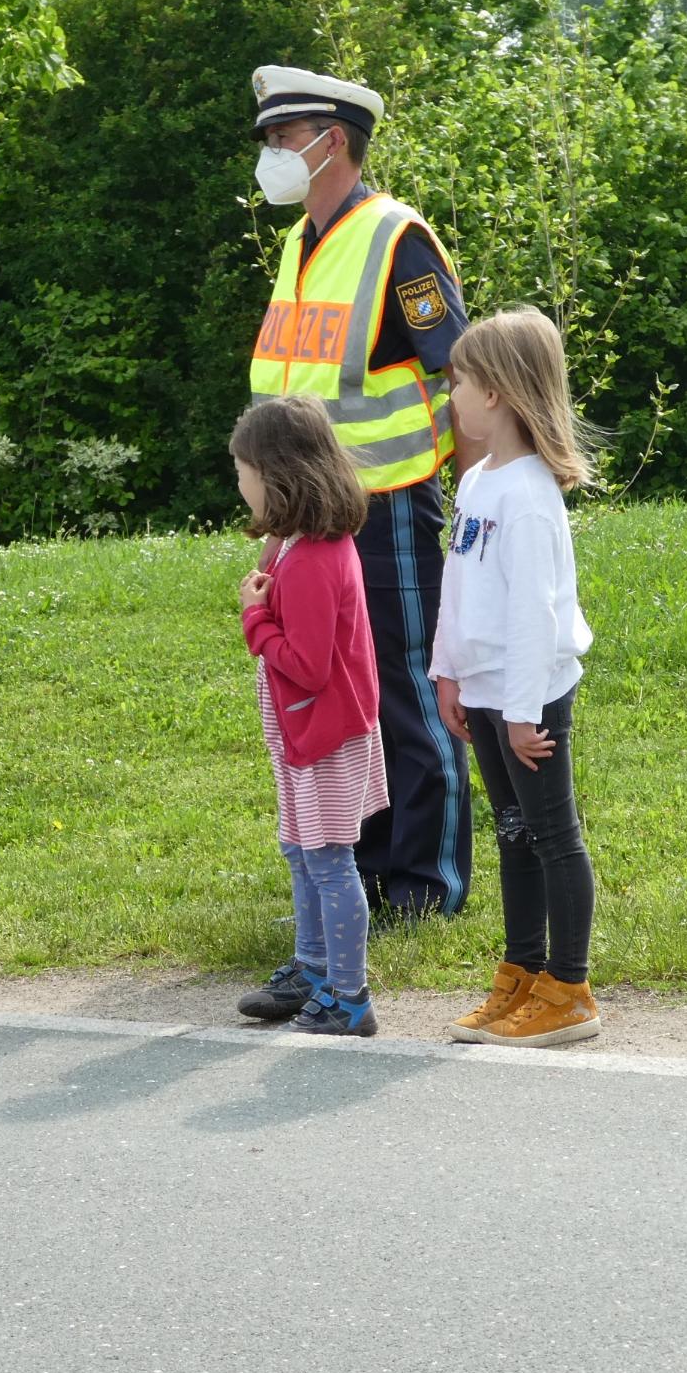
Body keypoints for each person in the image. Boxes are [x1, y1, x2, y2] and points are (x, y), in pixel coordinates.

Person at [246, 63, 471, 919]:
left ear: (330, 140)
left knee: (410, 688)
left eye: (281, 138)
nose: (270, 154)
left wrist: (475, 490)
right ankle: (366, 870)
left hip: (391, 506)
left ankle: (429, 882)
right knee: (343, 693)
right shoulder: (299, 243)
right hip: (311, 521)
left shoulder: (395, 238)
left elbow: (461, 370)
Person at [430, 308, 602, 1046]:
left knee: (553, 836)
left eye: (458, 382)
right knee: (512, 833)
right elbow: (459, 586)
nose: (451, 397)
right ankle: (523, 973)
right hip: (486, 690)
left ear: (495, 392)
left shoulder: (529, 495)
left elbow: (536, 614)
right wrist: (448, 675)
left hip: (528, 695)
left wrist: (527, 711)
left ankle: (570, 991)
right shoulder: (478, 483)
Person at [229, 396, 388, 1038]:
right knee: (300, 850)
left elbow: (309, 665)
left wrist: (254, 618)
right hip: (305, 734)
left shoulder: (315, 562)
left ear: (276, 476)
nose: (239, 485)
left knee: (327, 858)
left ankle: (350, 996)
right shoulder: (300, 544)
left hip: (323, 734)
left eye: (244, 472)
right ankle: (313, 966)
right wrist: (270, 547)